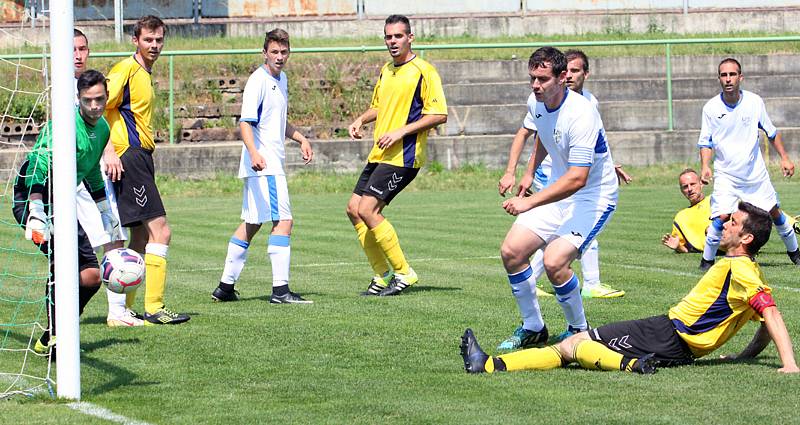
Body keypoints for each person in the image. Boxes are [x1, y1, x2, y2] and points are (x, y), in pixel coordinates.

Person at [461, 202, 799, 375]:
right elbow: (765, 321)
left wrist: (789, 364)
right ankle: (490, 365)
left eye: (733, 223)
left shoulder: (741, 270)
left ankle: (632, 365)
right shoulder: (746, 269)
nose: (725, 224)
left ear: (746, 238)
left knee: (575, 346)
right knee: (570, 346)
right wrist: (741, 357)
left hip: (670, 336)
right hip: (668, 333)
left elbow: (770, 312)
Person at [493, 46, 619, 351]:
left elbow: (578, 178)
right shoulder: (535, 102)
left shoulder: (582, 113)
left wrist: (529, 202)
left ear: (563, 77)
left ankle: (579, 329)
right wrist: (528, 172)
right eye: (532, 78)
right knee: (511, 251)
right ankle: (533, 327)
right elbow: (545, 137)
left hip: (593, 196)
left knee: (554, 260)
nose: (536, 85)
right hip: (559, 191)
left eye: (543, 79)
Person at [12, 70, 120, 354]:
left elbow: (91, 173)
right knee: (62, 263)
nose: (94, 106)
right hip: (33, 196)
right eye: (88, 101)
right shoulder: (63, 124)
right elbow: (37, 162)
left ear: (107, 97)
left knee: (91, 277)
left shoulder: (103, 129)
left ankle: (52, 333)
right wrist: (36, 207)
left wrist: (106, 212)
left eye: (99, 99)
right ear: (78, 100)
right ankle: (60, 336)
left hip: (60, 202)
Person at [345, 14, 447, 296]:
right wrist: (361, 119)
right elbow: (379, 106)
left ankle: (404, 273)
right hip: (380, 153)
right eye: (388, 36)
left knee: (368, 209)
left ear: (410, 38)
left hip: (403, 156)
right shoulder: (387, 70)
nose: (393, 41)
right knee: (354, 210)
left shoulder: (424, 71)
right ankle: (381, 276)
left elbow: (439, 114)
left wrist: (402, 132)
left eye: (398, 36)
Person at [210, 29, 314, 304]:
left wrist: (300, 138)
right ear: (264, 52)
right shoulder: (258, 81)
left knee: (252, 223)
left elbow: (277, 121)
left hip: (264, 162)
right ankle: (281, 291)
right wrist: (254, 153)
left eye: (284, 52)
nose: (280, 57)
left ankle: (225, 287)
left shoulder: (282, 79)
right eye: (275, 52)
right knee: (284, 221)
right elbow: (245, 122)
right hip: (264, 164)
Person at [104, 15, 189, 324]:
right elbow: (94, 106)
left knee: (139, 237)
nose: (154, 45)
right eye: (148, 40)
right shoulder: (125, 69)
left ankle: (122, 311)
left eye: (158, 40)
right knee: (160, 230)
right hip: (129, 157)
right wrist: (109, 149)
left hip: (140, 156)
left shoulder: (144, 72)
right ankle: (154, 308)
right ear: (135, 40)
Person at [698, 58, 800, 271]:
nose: (728, 79)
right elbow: (705, 142)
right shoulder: (710, 108)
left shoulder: (754, 102)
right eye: (724, 75)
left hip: (755, 174)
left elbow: (771, 132)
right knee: (721, 217)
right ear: (719, 78)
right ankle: (707, 262)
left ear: (740, 77)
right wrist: (705, 166)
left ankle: (795, 253)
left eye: (732, 74)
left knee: (775, 212)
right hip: (727, 175)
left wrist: (785, 157)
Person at [72, 29, 140, 327]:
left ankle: (116, 311)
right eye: (73, 49)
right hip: (74, 178)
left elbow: (99, 124)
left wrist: (108, 150)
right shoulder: (64, 89)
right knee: (109, 238)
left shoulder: (93, 84)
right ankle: (114, 312)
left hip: (91, 176)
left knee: (113, 235)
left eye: (83, 48)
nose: (78, 55)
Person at [662, 168, 711, 253]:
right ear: (681, 191)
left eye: (693, 184)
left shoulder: (716, 201)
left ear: (701, 184)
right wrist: (678, 247)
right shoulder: (681, 218)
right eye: (685, 187)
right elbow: (685, 249)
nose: (689, 189)